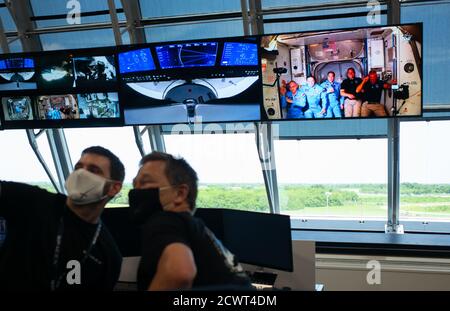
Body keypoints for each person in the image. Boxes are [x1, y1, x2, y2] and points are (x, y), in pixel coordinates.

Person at [0, 146, 125, 291]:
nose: (81, 174)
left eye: (93, 170)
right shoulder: (34, 201)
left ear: (114, 188)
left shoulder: (107, 254)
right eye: (78, 167)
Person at [129, 152, 252, 291]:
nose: (136, 190)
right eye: (135, 184)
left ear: (180, 193)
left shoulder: (165, 220)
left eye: (145, 182)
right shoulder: (198, 230)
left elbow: (180, 273)